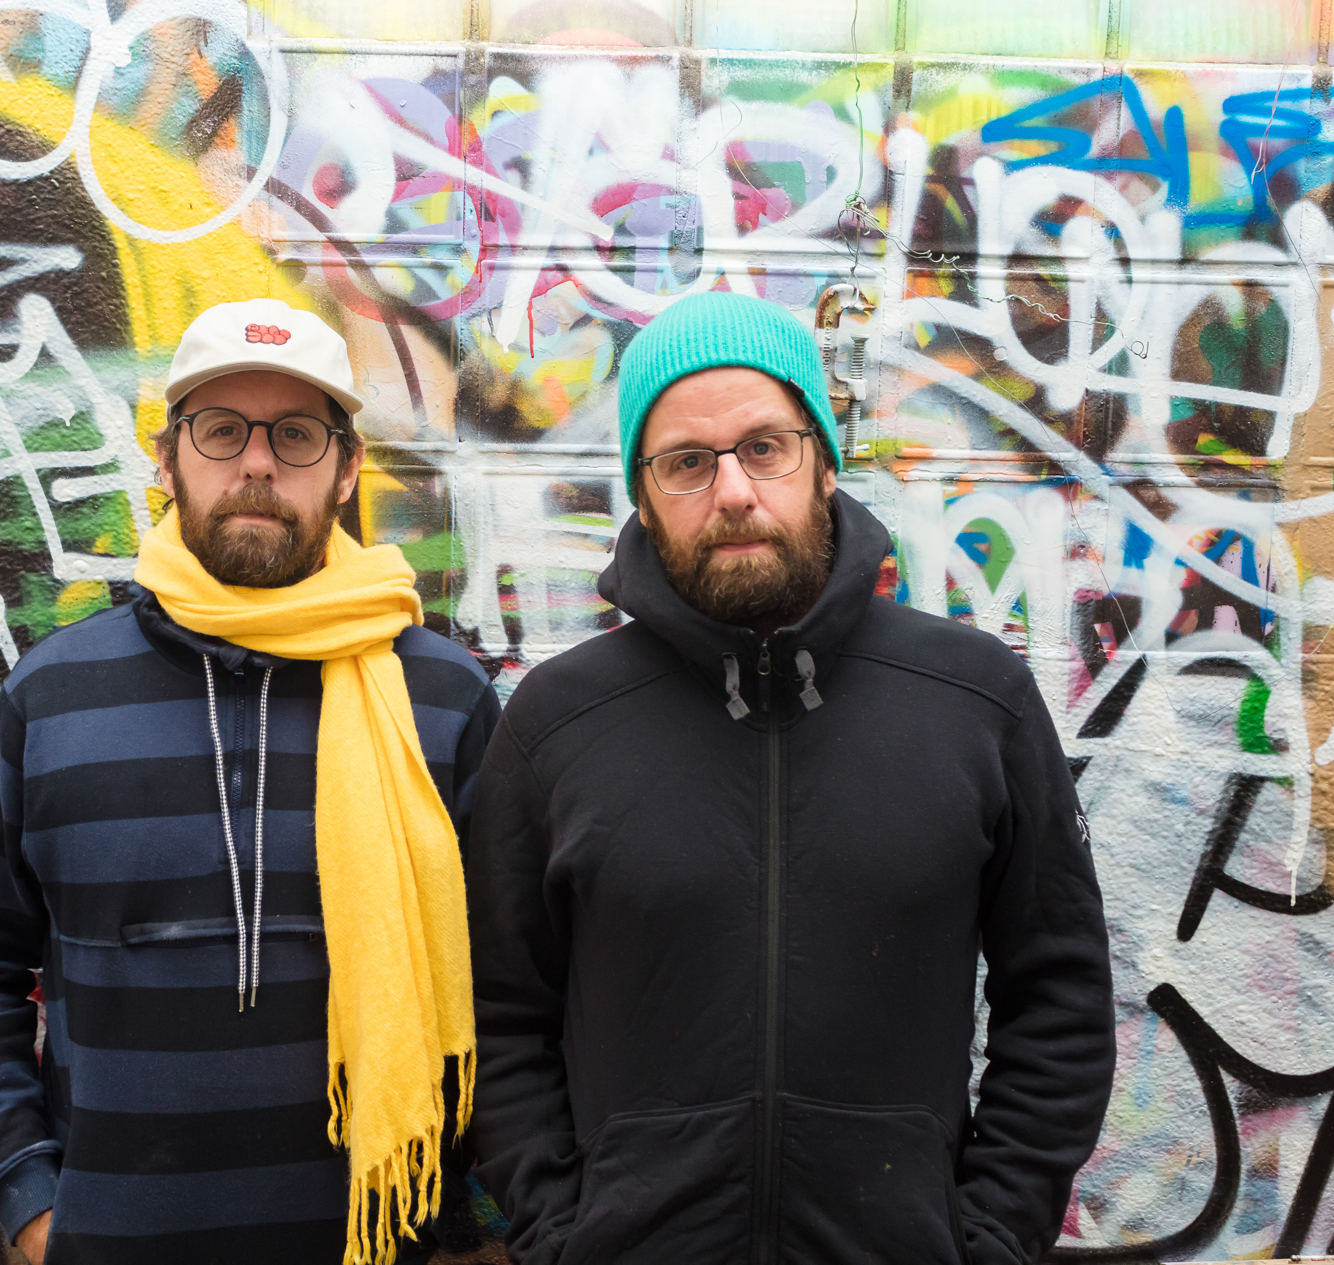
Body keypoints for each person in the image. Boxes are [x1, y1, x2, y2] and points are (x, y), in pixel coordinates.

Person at [464, 290, 1114, 1264]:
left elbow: (1057, 994)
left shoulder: (974, 702)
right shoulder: (556, 724)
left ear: (821, 462)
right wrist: (562, 1234)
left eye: (764, 446)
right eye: (686, 461)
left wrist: (982, 1237)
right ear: (640, 495)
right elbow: (496, 1015)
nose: (731, 490)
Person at [0, 299, 501, 1265]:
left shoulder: (440, 697)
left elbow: (512, 985)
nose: (257, 463)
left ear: (348, 466)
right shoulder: (54, 696)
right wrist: (31, 1197)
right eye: (222, 430)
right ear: (168, 456)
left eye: (297, 434)